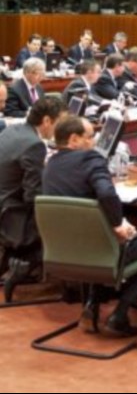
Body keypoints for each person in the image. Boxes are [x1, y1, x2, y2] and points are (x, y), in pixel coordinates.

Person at [42, 116, 137, 336]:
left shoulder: (50, 166)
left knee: (95, 241)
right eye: (90, 136)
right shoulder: (91, 159)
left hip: (61, 253)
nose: (94, 141)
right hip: (97, 252)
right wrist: (117, 224)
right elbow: (106, 193)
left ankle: (91, 306)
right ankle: (119, 316)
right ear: (74, 139)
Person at [0, 97, 66, 301]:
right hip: (12, 215)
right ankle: (24, 266)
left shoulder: (13, 130)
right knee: (68, 219)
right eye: (59, 122)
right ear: (46, 121)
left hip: (4, 203)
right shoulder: (34, 145)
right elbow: (32, 196)